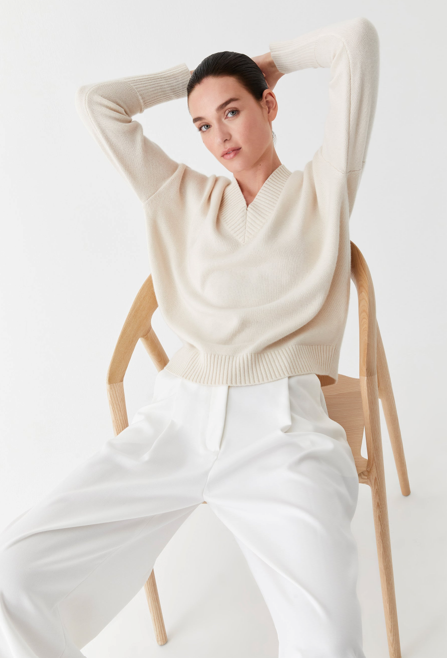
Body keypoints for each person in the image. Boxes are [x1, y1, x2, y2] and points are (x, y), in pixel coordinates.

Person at [0, 15, 379, 657]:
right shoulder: (179, 195)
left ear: (269, 105)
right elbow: (97, 103)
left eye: (232, 111)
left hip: (283, 428)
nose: (218, 135)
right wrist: (192, 80)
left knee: (331, 639)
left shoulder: (324, 186)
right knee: (14, 575)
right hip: (176, 420)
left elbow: (356, 41)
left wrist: (269, 61)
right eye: (202, 124)